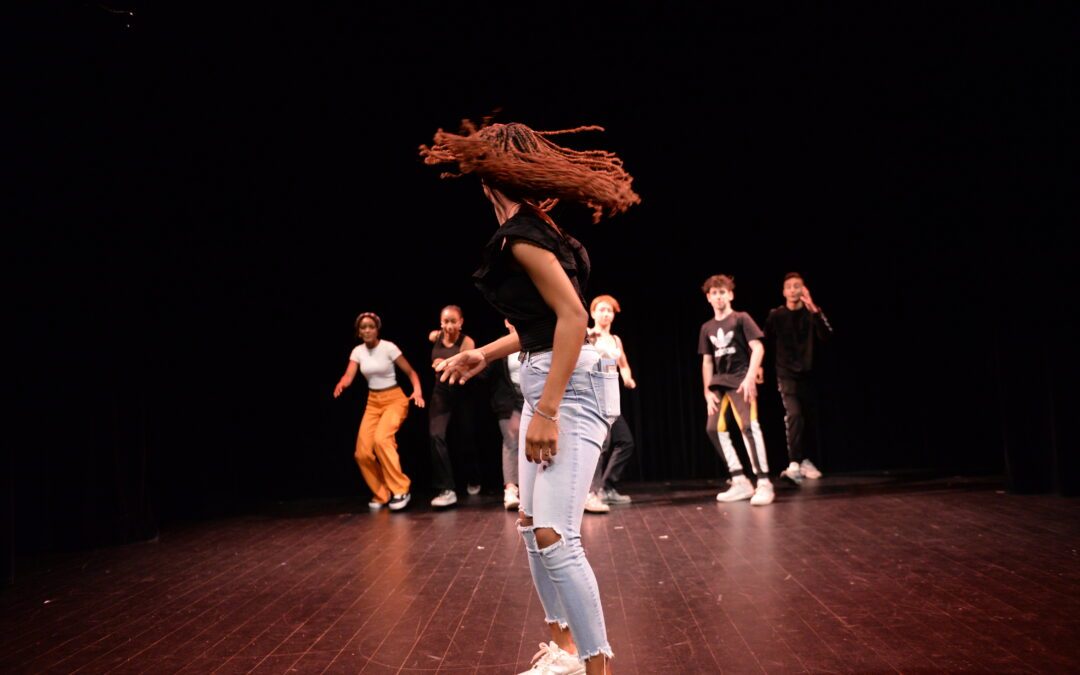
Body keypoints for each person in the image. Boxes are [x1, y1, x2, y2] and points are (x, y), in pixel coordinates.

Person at [421, 120, 639, 675]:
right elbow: (540, 323)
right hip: (545, 376)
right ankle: (562, 655)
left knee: (556, 534)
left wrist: (544, 412)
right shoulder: (533, 229)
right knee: (528, 525)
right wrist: (484, 354)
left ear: (488, 175)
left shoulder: (522, 235)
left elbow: (572, 318)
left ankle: (597, 668)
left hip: (570, 390)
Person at [333, 312, 425, 511]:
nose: (367, 330)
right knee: (362, 452)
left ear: (377, 329)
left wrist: (417, 390)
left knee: (382, 439)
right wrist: (342, 383)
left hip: (395, 399)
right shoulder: (357, 351)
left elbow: (411, 372)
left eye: (370, 327)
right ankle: (382, 493)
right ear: (359, 332)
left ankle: (401, 489)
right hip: (373, 402)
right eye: (363, 327)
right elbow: (349, 375)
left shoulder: (388, 347)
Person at [698, 275, 775, 506]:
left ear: (730, 295)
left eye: (722, 292)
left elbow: (758, 348)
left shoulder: (741, 319)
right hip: (718, 385)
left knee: (749, 427)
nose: (718, 296)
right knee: (713, 429)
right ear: (708, 298)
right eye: (714, 293)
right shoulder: (707, 328)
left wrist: (751, 376)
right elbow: (707, 362)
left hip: (741, 381)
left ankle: (763, 482)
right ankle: (740, 479)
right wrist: (706, 390)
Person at [765, 272, 834, 484]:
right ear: (784, 292)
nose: (794, 290)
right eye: (790, 287)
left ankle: (804, 460)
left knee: (807, 418)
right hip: (786, 374)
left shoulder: (810, 314)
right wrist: (757, 367)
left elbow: (827, 335)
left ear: (804, 290)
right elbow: (763, 341)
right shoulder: (776, 315)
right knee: (793, 414)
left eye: (798, 286)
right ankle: (794, 463)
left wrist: (813, 308)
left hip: (809, 374)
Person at [584, 295, 637, 515]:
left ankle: (605, 487)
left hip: (611, 398)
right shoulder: (587, 334)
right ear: (593, 312)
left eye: (610, 311)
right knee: (600, 445)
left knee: (625, 442)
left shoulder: (615, 340)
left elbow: (622, 363)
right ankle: (590, 493)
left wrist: (627, 377)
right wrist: (590, 338)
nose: (606, 314)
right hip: (593, 396)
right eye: (602, 310)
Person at [427, 305, 480, 508]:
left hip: (461, 392)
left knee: (466, 437)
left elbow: (468, 365)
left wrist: (446, 363)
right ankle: (446, 489)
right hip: (441, 394)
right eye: (445, 321)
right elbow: (431, 336)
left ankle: (473, 477)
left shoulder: (467, 342)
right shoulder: (436, 336)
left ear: (460, 322)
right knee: (436, 436)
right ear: (441, 322)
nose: (449, 325)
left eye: (453, 321)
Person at [484, 319, 525, 510]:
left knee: (536, 442)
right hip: (508, 400)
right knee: (511, 442)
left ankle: (535, 490)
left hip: (533, 398)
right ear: (507, 322)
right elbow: (484, 366)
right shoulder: (501, 345)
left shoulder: (532, 338)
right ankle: (510, 490)